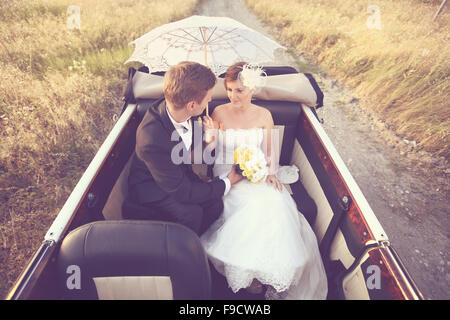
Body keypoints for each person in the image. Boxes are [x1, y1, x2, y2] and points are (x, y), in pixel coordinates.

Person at [200, 62, 328, 299]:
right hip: (226, 173)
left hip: (255, 172)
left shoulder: (264, 115)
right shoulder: (217, 112)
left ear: (252, 90)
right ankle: (247, 272)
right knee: (242, 209)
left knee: (274, 203)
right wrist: (210, 136)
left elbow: (270, 152)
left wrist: (268, 172)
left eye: (239, 90)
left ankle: (265, 272)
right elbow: (209, 154)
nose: (233, 95)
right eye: (229, 89)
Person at [122, 61, 243, 236]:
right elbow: (183, 192)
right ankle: (180, 252)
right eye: (208, 97)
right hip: (152, 189)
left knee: (216, 204)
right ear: (192, 105)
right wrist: (228, 182)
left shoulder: (183, 108)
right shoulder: (151, 140)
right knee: (191, 215)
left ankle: (194, 240)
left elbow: (195, 153)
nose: (210, 100)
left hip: (179, 175)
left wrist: (209, 140)